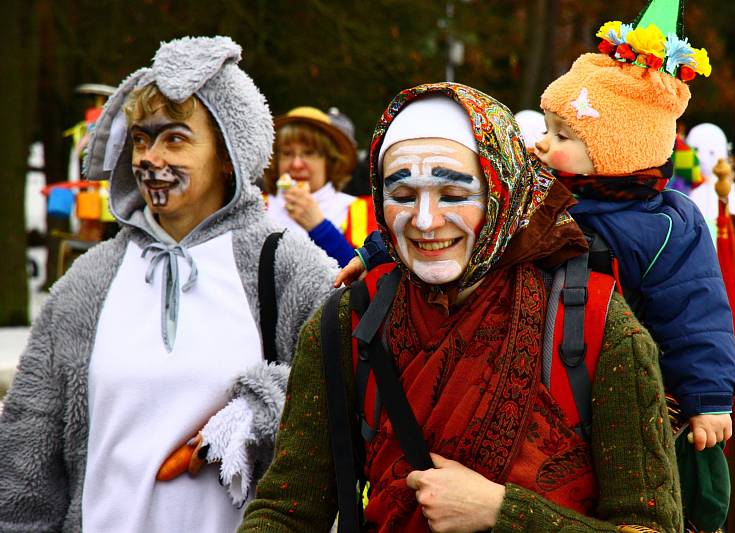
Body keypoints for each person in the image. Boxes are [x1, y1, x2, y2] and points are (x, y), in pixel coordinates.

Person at [240, 82, 682, 532]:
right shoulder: (347, 321)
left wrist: (500, 512)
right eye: (403, 196)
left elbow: (653, 526)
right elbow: (286, 512)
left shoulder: (595, 324)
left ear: (502, 190)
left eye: (452, 195)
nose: (426, 221)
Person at [0, 36, 337, 532]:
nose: (150, 158)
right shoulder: (87, 282)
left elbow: (349, 397)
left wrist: (265, 405)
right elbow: (27, 455)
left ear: (228, 154)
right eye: (140, 138)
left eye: (174, 138)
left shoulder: (286, 266)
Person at [533, 5, 735, 452]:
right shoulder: (540, 199)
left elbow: (695, 311)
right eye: (547, 128)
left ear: (619, 150)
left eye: (563, 136)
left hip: (627, 394)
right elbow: (467, 226)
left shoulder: (667, 224)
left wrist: (708, 397)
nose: (542, 143)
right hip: (538, 382)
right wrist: (378, 252)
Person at [265, 106, 377, 267]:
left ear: (330, 161)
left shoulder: (360, 210)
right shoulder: (258, 206)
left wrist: (319, 227)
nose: (296, 164)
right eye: (287, 153)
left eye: (309, 153)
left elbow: (368, 279)